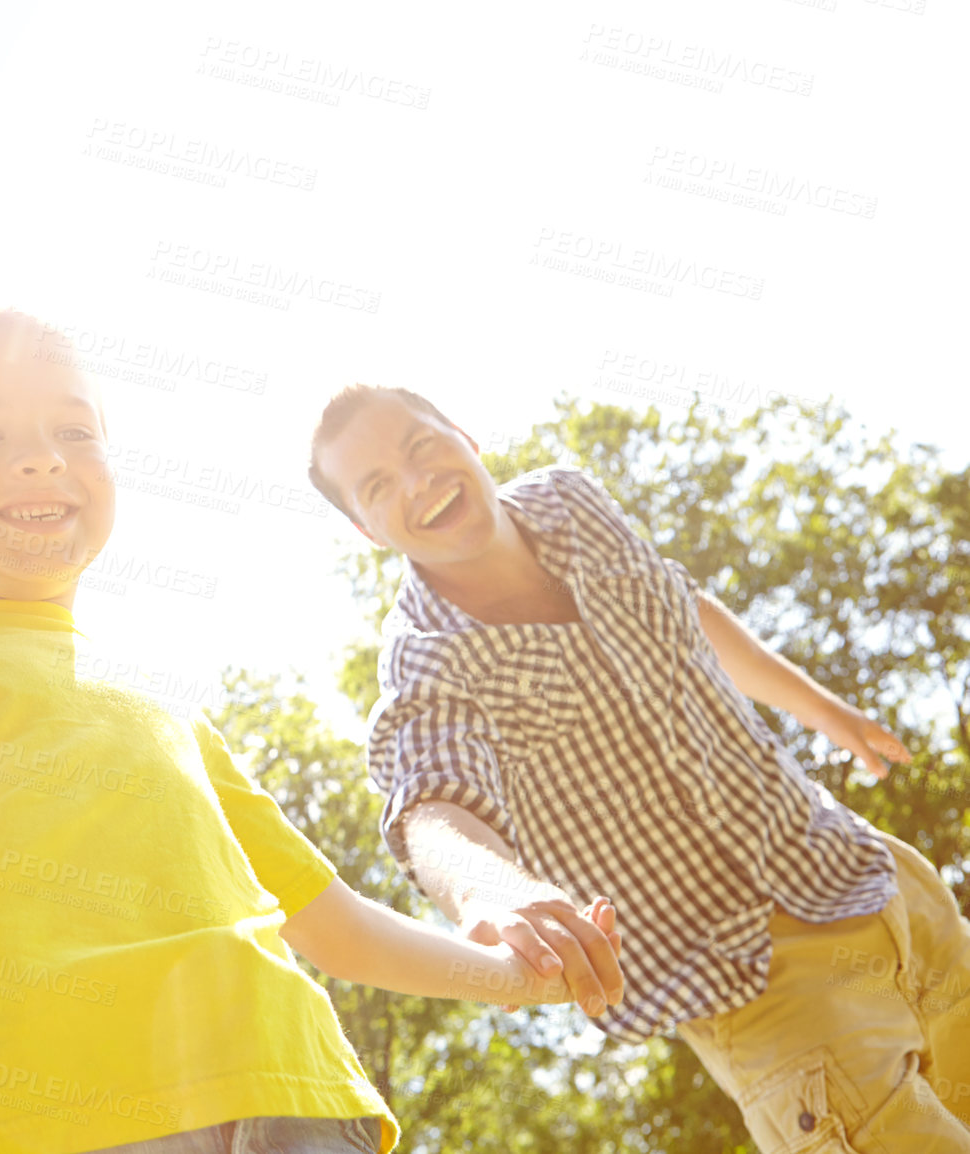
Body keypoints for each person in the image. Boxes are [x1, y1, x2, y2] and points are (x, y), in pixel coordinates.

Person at [0, 310, 617, 1154]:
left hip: (300, 1106)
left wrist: (510, 976)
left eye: (73, 429)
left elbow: (334, 926)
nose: (39, 457)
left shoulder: (168, 712)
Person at [307, 383, 970, 1152]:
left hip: (868, 873)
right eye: (380, 486)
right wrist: (497, 892)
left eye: (420, 446)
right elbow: (429, 804)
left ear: (464, 435)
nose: (418, 482)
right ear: (366, 529)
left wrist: (821, 708)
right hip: (759, 984)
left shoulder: (569, 500)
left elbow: (677, 603)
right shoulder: (429, 664)